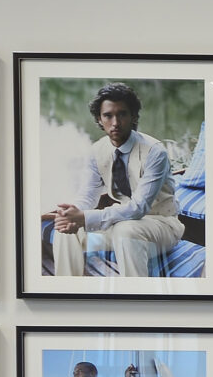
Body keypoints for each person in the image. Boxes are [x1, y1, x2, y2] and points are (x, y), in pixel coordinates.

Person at [44, 83, 183, 278]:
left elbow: (138, 208)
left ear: (133, 117)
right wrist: (71, 213)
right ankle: (67, 294)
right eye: (108, 116)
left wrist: (84, 218)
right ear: (99, 120)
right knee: (66, 231)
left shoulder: (154, 152)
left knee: (126, 230)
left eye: (122, 114)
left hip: (162, 227)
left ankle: (136, 298)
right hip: (121, 225)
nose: (115, 122)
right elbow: (87, 196)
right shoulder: (97, 150)